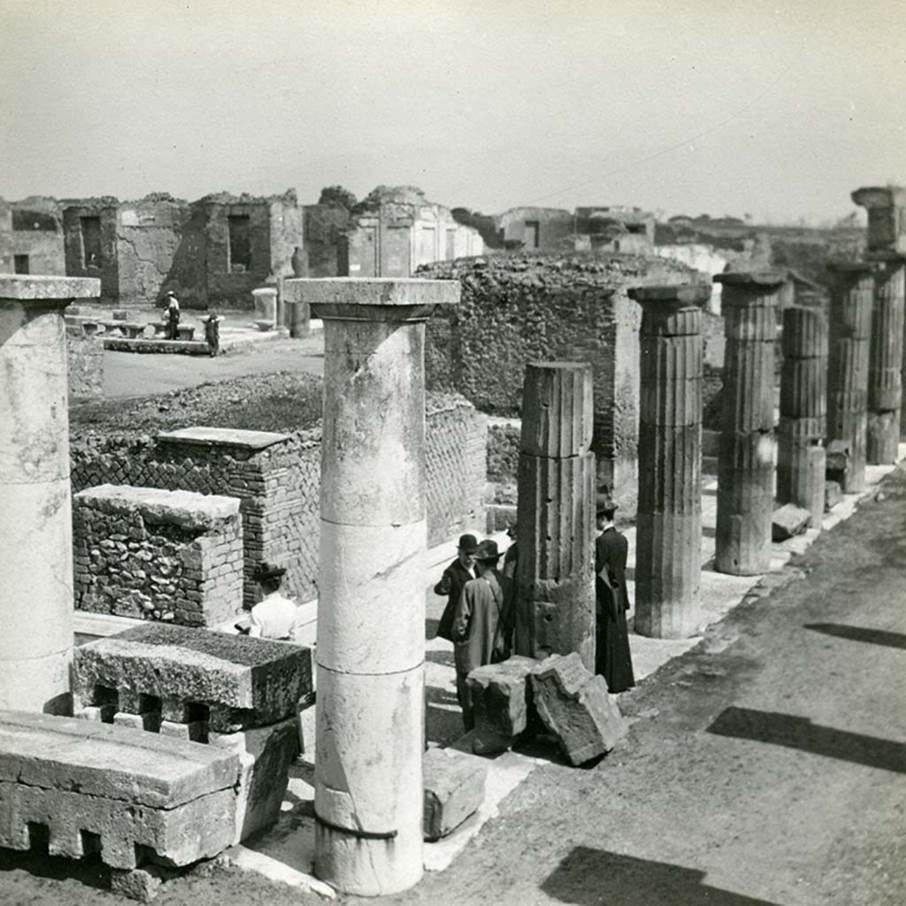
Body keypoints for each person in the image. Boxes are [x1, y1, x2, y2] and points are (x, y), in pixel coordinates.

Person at [452, 539, 508, 731]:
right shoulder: (509, 584)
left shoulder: (471, 587)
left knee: (470, 698)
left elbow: (460, 624)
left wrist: (459, 642)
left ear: (479, 562)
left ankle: (472, 733)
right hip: (499, 651)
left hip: (472, 652)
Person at [594, 493, 635, 694]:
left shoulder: (602, 542)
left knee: (607, 637)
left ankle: (609, 680)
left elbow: (598, 568)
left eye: (597, 519)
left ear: (603, 519)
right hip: (620, 593)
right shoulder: (622, 540)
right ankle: (623, 679)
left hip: (606, 595)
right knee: (620, 636)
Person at [433, 533, 478, 642]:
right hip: (459, 615)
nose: (469, 558)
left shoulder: (479, 566)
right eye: (466, 554)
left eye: (472, 554)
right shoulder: (452, 571)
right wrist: (444, 587)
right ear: (459, 553)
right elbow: (440, 589)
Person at [247, 561, 297, 641]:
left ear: (263, 586)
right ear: (279, 584)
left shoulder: (258, 610)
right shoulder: (291, 606)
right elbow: (294, 635)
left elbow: (253, 640)